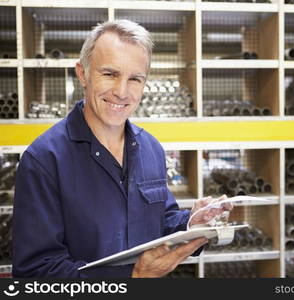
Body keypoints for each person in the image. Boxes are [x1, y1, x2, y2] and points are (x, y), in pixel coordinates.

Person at [12, 19, 232, 278]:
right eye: (110, 74)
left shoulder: (151, 149)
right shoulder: (44, 160)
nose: (122, 92)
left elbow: (159, 221)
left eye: (135, 79)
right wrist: (131, 278)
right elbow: (35, 272)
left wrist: (192, 223)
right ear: (82, 73)